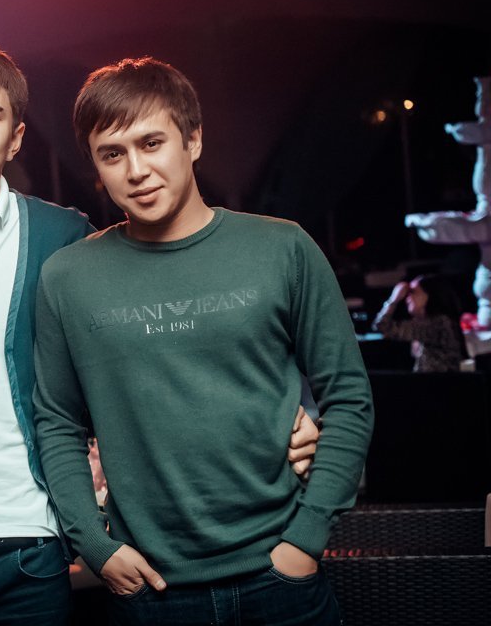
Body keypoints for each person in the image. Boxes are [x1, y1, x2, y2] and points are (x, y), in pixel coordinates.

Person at [0, 39, 322, 625]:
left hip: (32, 541)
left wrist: (295, 411)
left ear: (15, 138)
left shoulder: (62, 237)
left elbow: (162, 336)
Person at [33, 56, 374, 625]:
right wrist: (94, 543)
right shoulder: (67, 277)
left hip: (280, 575)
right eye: (112, 154)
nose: (136, 170)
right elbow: (56, 421)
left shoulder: (282, 249)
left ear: (192, 140)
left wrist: (307, 538)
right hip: (149, 589)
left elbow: (349, 397)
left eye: (152, 143)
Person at [374, 275, 466, 372]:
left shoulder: (437, 323)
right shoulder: (435, 322)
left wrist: (394, 298)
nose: (407, 298)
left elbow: (382, 326)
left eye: (413, 292)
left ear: (428, 296)